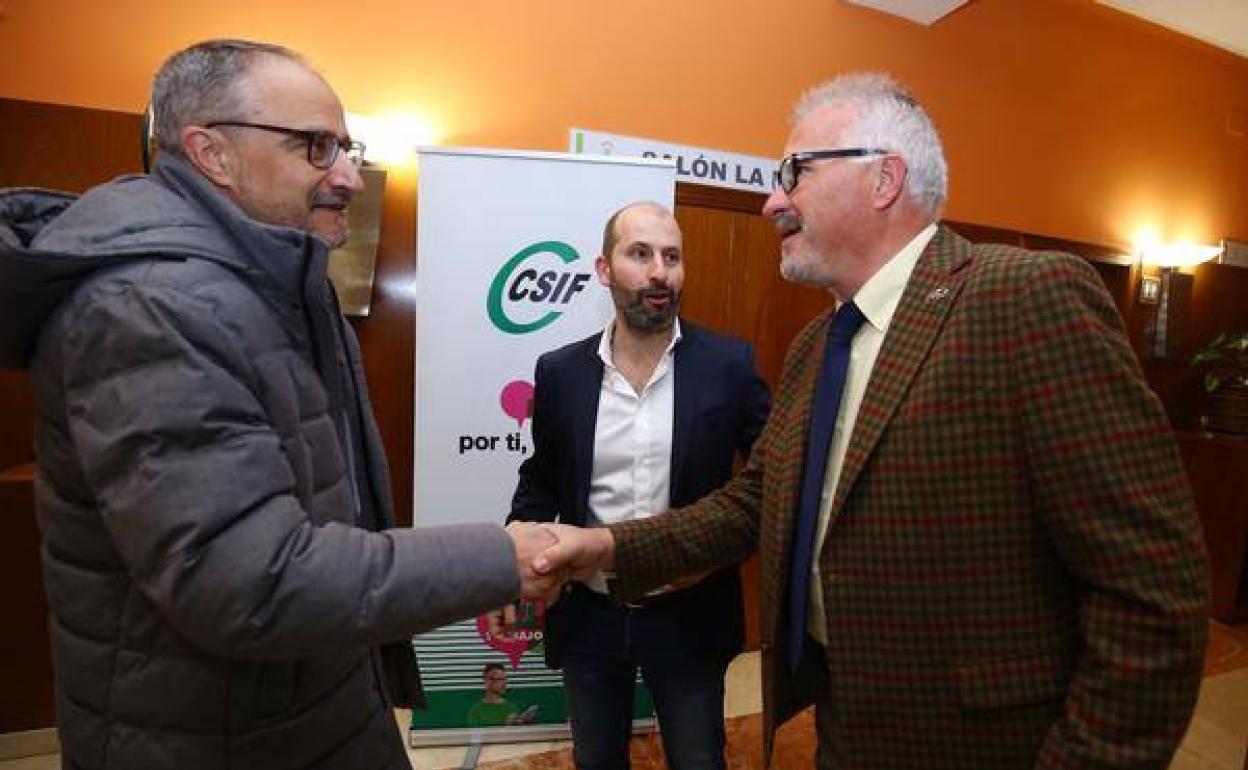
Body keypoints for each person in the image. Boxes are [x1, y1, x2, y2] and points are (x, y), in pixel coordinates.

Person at [530, 73, 1210, 770]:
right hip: (844, 722)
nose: (772, 203)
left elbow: (1152, 593)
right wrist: (606, 546)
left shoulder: (1024, 298)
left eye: (794, 173)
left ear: (885, 178)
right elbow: (754, 503)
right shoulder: (814, 348)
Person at [0, 39, 556, 770]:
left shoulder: (281, 279)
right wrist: (501, 555)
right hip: (209, 735)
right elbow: (255, 582)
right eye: (317, 147)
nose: (352, 175)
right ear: (211, 152)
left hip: (308, 702)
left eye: (345, 145)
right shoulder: (148, 307)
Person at [508, 202, 770, 770]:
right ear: (604, 269)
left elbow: (772, 480)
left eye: (672, 257)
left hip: (690, 613)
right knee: (596, 758)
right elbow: (544, 474)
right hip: (590, 613)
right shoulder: (560, 371)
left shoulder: (729, 364)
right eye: (640, 254)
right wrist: (517, 537)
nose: (660, 272)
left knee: (699, 758)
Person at [466, 662, 537, 726]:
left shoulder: (511, 707)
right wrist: (505, 725)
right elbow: (475, 737)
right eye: (500, 679)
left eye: (505, 679)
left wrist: (522, 723)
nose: (504, 683)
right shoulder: (476, 710)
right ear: (488, 681)